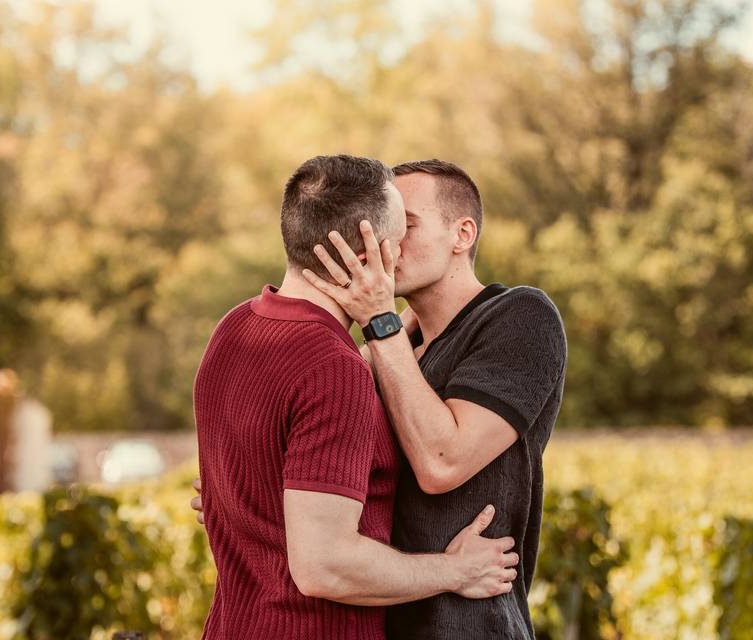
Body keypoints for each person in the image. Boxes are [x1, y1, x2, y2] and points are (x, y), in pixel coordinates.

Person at [192, 155, 519, 640]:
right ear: (368, 255)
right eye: (398, 237)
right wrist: (457, 571)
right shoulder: (333, 367)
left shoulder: (235, 328)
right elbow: (324, 566)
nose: (404, 253)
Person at [299, 159, 567, 639]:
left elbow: (442, 462)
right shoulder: (390, 347)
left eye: (407, 227)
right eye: (385, 229)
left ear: (462, 234)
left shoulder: (522, 317)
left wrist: (380, 321)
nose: (385, 245)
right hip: (379, 619)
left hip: (471, 626)